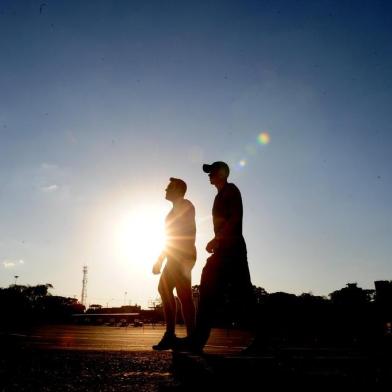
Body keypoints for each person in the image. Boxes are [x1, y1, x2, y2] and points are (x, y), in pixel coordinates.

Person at [187, 161, 254, 352]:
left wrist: (218, 239)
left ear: (223, 173)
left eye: (213, 172)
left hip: (232, 249)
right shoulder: (219, 196)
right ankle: (198, 340)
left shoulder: (231, 190)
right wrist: (217, 240)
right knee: (210, 288)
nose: (209, 175)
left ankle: (264, 337)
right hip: (224, 249)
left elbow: (235, 217)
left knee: (243, 296)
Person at [152, 177, 197, 350]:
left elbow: (188, 232)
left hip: (182, 255)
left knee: (183, 294)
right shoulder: (170, 213)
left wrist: (182, 258)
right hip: (175, 256)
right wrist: (160, 259)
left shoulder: (186, 205)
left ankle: (191, 337)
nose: (165, 190)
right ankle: (172, 335)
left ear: (178, 190)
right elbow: (168, 239)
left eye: (169, 187)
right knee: (165, 289)